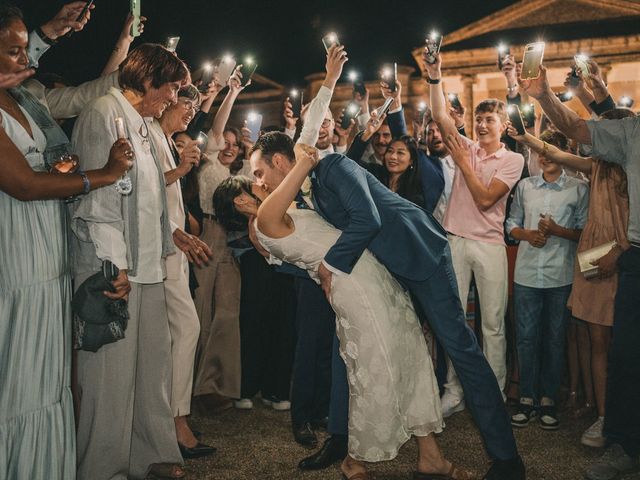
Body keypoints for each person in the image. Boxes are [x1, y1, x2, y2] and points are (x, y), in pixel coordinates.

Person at [214, 139, 474, 480]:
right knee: (375, 369)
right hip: (354, 289)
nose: (257, 181)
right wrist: (307, 155)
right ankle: (355, 460)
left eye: (259, 172)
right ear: (239, 202)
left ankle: (431, 457)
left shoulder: (282, 208)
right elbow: (302, 166)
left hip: (372, 276)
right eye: (253, 178)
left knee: (411, 356)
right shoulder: (264, 219)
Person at [0, 4, 132, 478]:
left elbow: (41, 169)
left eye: (24, 49)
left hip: (44, 251)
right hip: (13, 254)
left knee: (46, 374)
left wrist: (62, 169)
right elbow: (24, 185)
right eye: (14, 51)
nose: (26, 59)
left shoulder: (26, 101)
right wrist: (104, 175)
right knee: (17, 376)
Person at [71, 43, 189, 480]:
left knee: (152, 368)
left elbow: (149, 195)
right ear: (148, 80)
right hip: (113, 269)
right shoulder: (102, 113)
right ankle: (103, 467)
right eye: (172, 87)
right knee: (110, 375)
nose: (174, 98)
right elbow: (99, 198)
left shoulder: (143, 123)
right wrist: (113, 264)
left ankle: (151, 455)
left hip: (149, 267)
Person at [517, 59, 640, 480]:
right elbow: (574, 132)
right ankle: (621, 437)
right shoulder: (630, 134)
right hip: (630, 255)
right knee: (620, 351)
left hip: (621, 251)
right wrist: (544, 96)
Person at [427, 50, 525, 417]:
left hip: (489, 245)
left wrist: (466, 166)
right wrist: (435, 77)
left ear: (502, 126)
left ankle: (493, 394)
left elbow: (486, 200)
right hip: (455, 240)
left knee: (492, 324)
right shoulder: (465, 145)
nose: (482, 125)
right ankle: (454, 390)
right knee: (455, 319)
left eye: (489, 120)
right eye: (479, 119)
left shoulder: (512, 160)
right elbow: (439, 116)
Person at [503, 128, 589, 431]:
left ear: (563, 153)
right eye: (540, 150)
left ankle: (549, 398)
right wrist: (526, 234)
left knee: (554, 339)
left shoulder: (578, 188)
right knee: (526, 339)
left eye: (550, 149)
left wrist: (557, 231)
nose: (544, 156)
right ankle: (526, 398)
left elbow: (583, 233)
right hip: (527, 274)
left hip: (559, 275)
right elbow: (511, 222)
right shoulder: (525, 187)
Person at [153, 83, 216, 459]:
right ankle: (176, 420)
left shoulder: (166, 141)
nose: (191, 112)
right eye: (185, 105)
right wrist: (181, 168)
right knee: (186, 328)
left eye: (194, 107)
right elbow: (143, 188)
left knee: (179, 333)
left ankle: (174, 417)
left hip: (173, 252)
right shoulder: (155, 140)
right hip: (157, 253)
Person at [192, 67, 251, 409]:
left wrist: (248, 145)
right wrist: (232, 93)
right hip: (204, 233)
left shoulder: (241, 173)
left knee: (228, 311)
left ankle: (217, 386)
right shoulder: (208, 162)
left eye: (233, 144)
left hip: (232, 240)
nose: (228, 147)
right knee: (199, 312)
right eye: (224, 143)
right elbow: (216, 130)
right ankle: (189, 384)